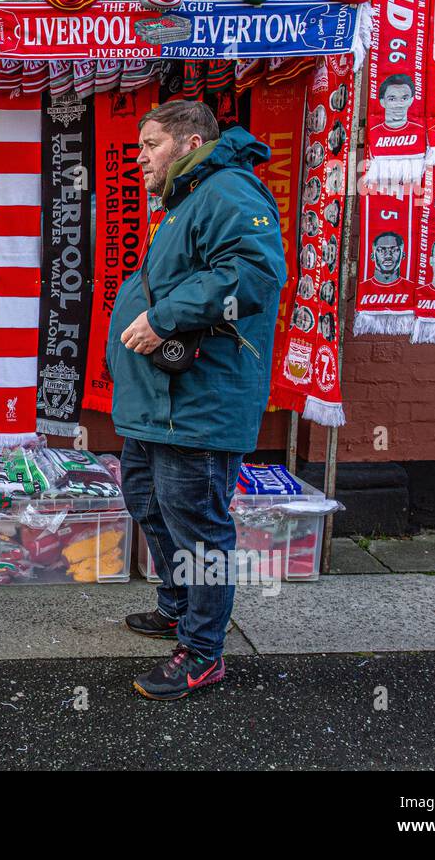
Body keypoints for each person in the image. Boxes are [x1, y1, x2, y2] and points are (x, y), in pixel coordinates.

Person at [106, 100, 285, 700]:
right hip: (161, 402)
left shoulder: (229, 190)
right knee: (147, 501)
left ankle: (203, 652)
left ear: (188, 143)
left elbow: (253, 275)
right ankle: (179, 608)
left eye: (149, 145)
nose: (139, 159)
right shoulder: (189, 200)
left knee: (198, 529)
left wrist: (162, 319)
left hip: (198, 404)